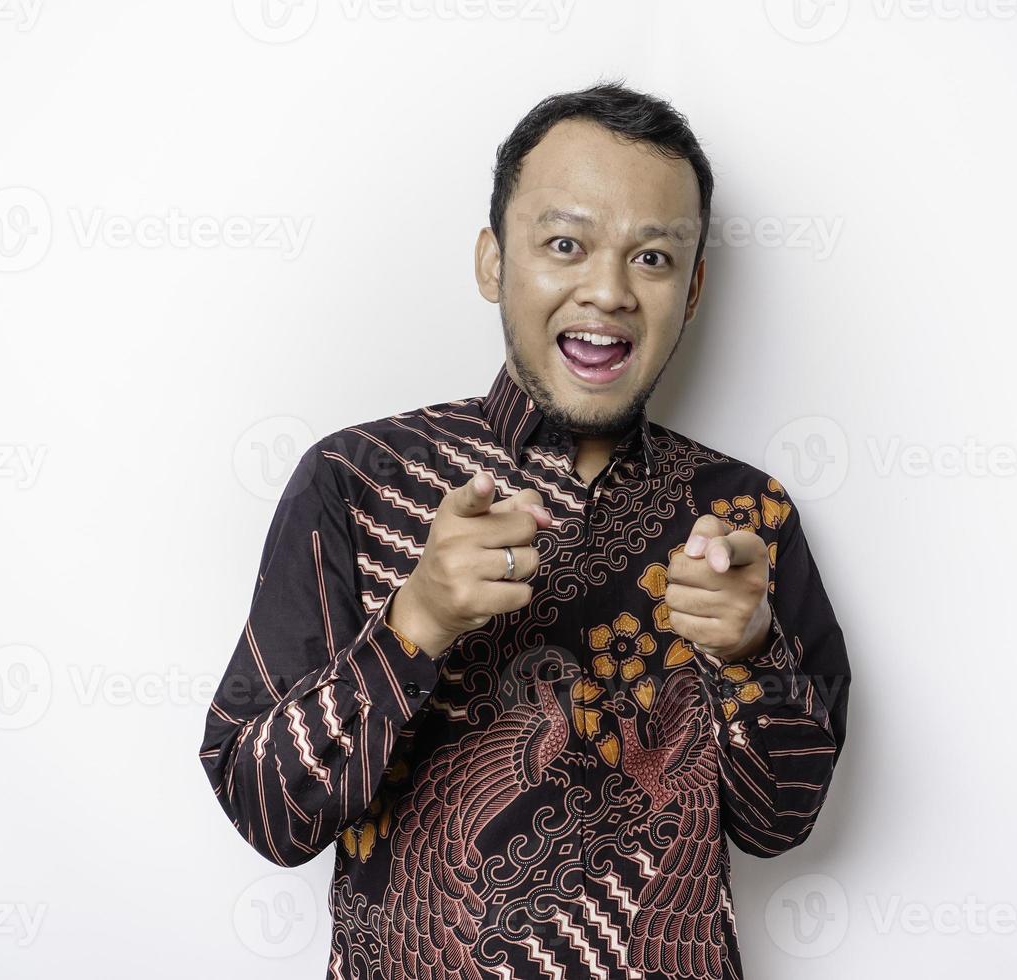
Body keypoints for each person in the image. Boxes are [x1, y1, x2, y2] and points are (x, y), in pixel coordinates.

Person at [198, 79, 851, 980]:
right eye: (565, 244)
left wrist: (751, 652)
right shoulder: (359, 480)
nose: (610, 290)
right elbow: (266, 813)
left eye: (653, 259)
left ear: (693, 288)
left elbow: (782, 824)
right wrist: (415, 623)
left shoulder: (746, 516)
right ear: (493, 262)